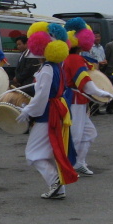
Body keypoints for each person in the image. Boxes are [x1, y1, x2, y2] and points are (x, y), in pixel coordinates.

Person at [17, 24, 80, 199]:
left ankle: (55, 181)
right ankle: (59, 188)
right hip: (56, 110)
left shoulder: (46, 69)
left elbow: (42, 97)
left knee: (33, 153)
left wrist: (28, 111)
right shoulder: (56, 66)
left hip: (48, 114)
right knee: (51, 151)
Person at [61, 19, 112, 175]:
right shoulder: (75, 59)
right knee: (75, 136)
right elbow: (85, 82)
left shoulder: (70, 58)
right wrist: (103, 93)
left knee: (89, 133)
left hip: (76, 100)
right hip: (74, 101)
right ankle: (67, 166)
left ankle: (78, 163)